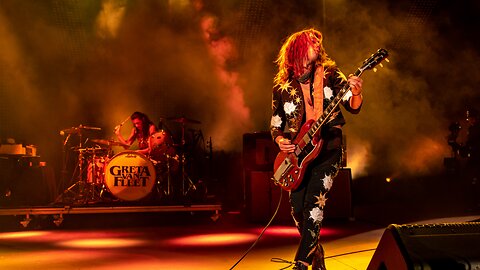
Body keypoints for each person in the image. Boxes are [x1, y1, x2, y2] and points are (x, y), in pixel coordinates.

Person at [270, 28, 363, 270]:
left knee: (314, 204)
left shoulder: (330, 74)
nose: (317, 46)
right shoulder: (281, 88)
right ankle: (315, 250)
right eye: (310, 43)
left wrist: (356, 92)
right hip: (297, 155)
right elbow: (275, 124)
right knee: (297, 209)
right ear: (297, 50)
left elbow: (351, 106)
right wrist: (281, 141)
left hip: (328, 147)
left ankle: (301, 262)